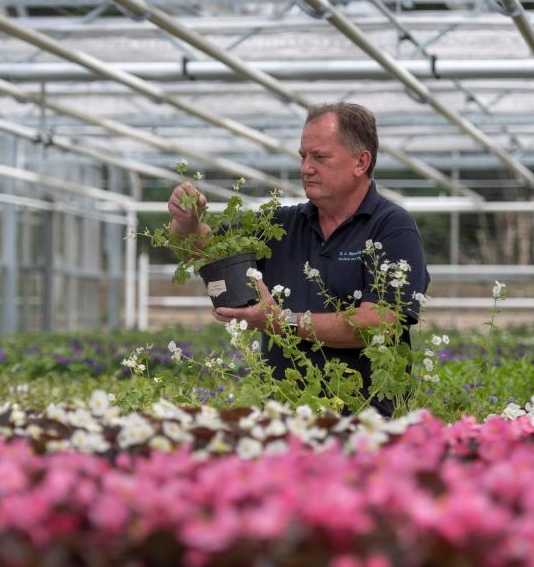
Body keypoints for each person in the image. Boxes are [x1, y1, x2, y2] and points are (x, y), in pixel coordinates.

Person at [167, 102, 430, 416]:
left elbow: (379, 323)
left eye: (320, 157)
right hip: (284, 420)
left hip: (366, 424)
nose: (306, 168)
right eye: (303, 156)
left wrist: (282, 321)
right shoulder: (279, 225)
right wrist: (188, 222)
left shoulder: (392, 227)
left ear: (361, 162)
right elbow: (203, 253)